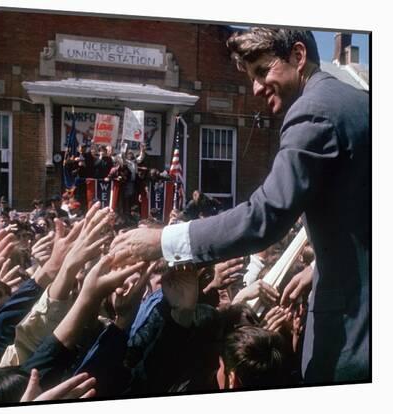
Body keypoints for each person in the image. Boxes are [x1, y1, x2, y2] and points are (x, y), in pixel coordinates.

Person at [110, 28, 369, 384]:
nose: (257, 88)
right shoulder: (362, 102)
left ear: (298, 56)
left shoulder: (313, 111)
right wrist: (321, 265)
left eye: (263, 71)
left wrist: (162, 242)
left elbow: (265, 216)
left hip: (353, 341)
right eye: (252, 78)